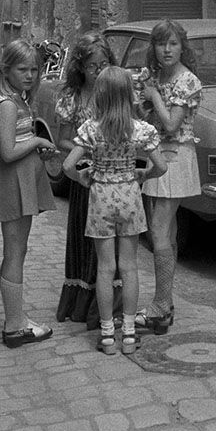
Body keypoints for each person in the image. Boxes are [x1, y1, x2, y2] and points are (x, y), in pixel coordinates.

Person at [64, 66, 167, 355]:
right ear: (129, 95)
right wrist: (143, 176)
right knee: (130, 267)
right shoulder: (141, 130)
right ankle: (130, 334)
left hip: (100, 200)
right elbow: (161, 166)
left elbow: (68, 166)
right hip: (130, 198)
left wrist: (83, 177)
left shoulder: (91, 130)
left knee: (105, 269)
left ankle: (107, 335)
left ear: (99, 96)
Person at [0, 38, 55, 348]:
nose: (30, 75)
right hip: (13, 182)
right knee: (14, 252)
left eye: (35, 70)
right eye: (22, 69)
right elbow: (9, 152)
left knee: (19, 251)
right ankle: (14, 324)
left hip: (22, 179)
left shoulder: (19, 99)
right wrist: (38, 143)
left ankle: (18, 318)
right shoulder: (9, 104)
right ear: (6, 70)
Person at [137, 19, 203, 333]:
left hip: (175, 159)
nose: (167, 50)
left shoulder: (187, 81)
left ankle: (160, 307)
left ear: (182, 47)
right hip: (157, 156)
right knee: (167, 232)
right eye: (161, 44)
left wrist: (153, 96)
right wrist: (144, 98)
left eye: (173, 43)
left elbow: (172, 124)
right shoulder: (157, 77)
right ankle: (166, 303)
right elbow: (146, 118)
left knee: (159, 233)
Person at [54, 32, 117, 327]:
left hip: (114, 178)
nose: (99, 71)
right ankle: (84, 304)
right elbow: (63, 141)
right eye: (93, 66)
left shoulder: (113, 94)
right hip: (85, 177)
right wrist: (86, 147)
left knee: (109, 247)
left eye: (104, 65)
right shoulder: (72, 98)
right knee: (86, 241)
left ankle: (108, 305)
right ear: (81, 67)